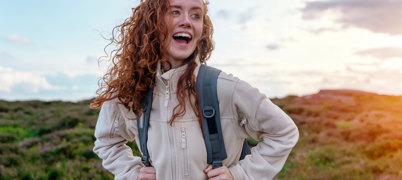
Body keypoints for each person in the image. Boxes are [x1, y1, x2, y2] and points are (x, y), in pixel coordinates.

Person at [91, 0, 299, 179]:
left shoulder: (225, 88)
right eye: (175, 11)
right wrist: (131, 173)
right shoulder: (130, 92)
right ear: (152, 22)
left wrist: (240, 175)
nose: (187, 21)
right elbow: (106, 142)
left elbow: (284, 132)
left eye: (196, 15)